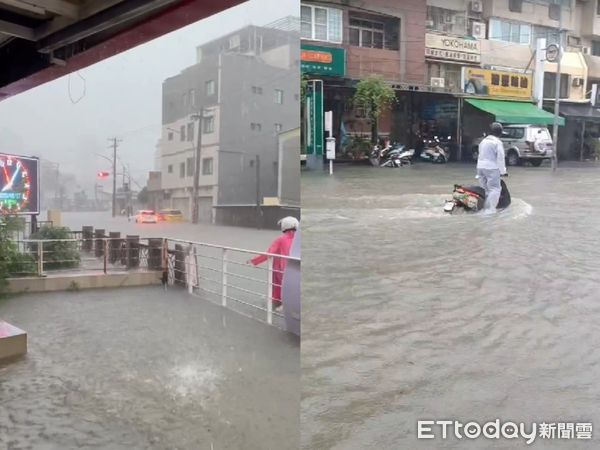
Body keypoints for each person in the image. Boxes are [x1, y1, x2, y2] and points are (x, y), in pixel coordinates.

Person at [249, 216, 298, 311]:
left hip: (281, 268)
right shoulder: (299, 240)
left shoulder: (280, 239)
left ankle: (281, 303)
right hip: (295, 268)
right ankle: (282, 302)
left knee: (278, 285)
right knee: (291, 287)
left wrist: (254, 261)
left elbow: (269, 252)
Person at [477, 122, 508, 213]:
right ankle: (489, 211)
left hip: (480, 167)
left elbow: (480, 154)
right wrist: (503, 172)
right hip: (492, 168)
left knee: (485, 189)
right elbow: (500, 158)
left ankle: (482, 207)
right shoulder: (497, 142)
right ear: (500, 133)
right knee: (495, 189)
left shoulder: (483, 141)